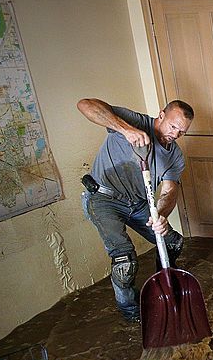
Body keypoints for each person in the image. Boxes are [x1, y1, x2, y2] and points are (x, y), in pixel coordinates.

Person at [77, 98, 194, 322]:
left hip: (138, 203)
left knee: (172, 242)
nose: (176, 134)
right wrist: (126, 130)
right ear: (161, 115)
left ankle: (163, 285)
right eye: (173, 126)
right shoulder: (134, 122)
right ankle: (131, 312)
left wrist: (160, 215)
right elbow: (85, 105)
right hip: (103, 198)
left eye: (182, 132)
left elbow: (170, 190)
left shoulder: (175, 156)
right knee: (125, 262)